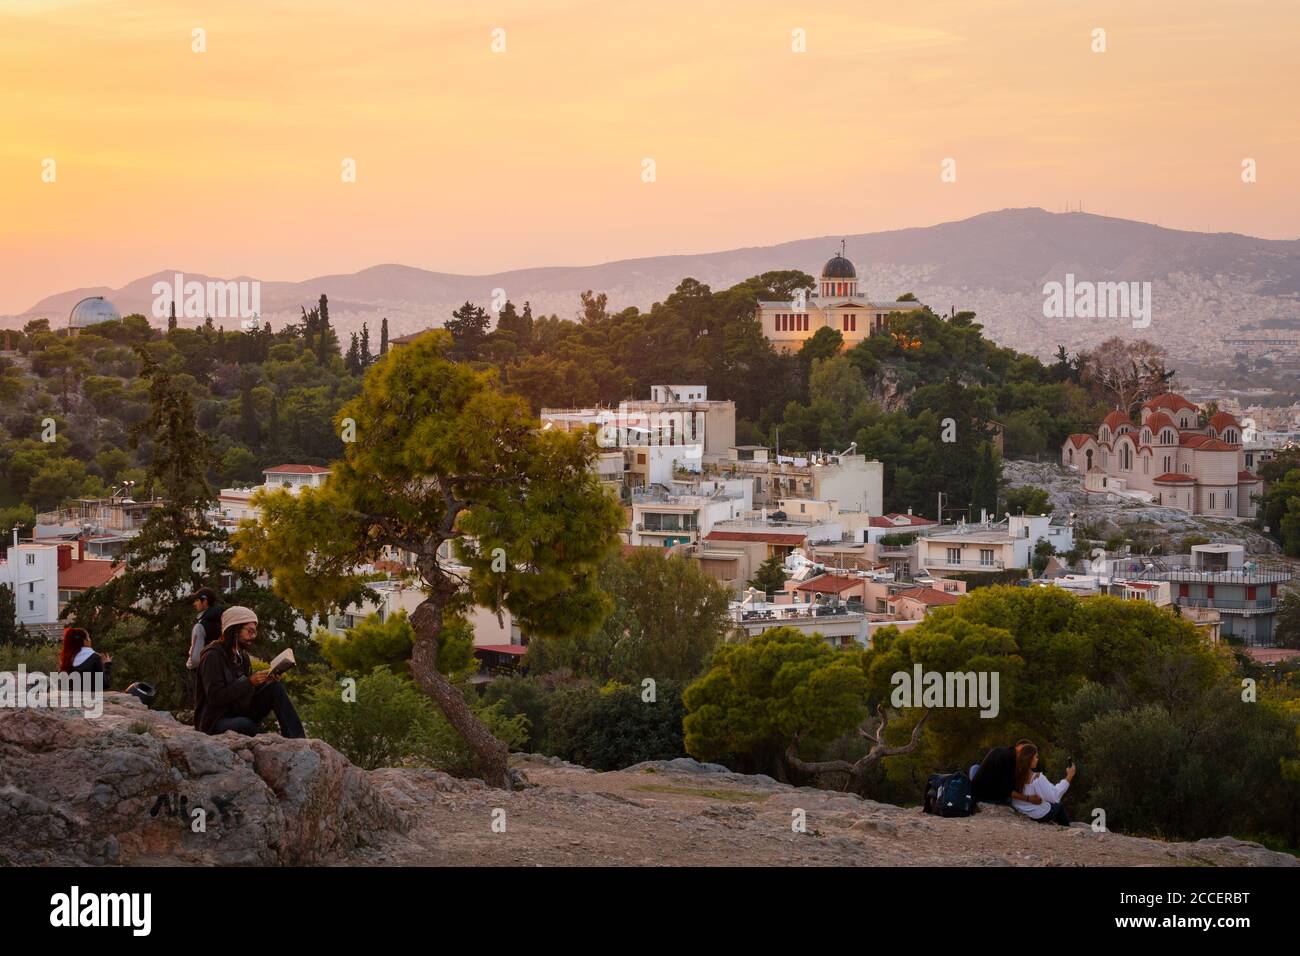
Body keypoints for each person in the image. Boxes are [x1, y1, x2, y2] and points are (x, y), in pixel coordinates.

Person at [194, 606, 305, 739]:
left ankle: (297, 739)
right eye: (250, 631)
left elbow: (244, 693)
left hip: (238, 711)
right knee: (245, 725)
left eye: (254, 632)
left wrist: (263, 682)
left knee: (274, 687)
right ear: (234, 630)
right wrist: (249, 682)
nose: (253, 636)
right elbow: (215, 697)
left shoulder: (243, 657)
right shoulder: (212, 656)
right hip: (214, 721)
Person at [1010, 743, 1075, 826]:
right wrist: (1069, 776)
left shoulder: (1012, 773)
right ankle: (1066, 828)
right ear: (1030, 759)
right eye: (1036, 757)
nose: (1037, 759)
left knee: (1048, 801)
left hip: (1020, 809)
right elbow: (1055, 796)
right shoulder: (1037, 778)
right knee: (1058, 806)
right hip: (1037, 815)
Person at [969, 740, 1043, 807]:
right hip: (986, 797)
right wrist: (1028, 798)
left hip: (977, 789)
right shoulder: (1009, 759)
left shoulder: (1003, 751)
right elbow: (1006, 790)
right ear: (1019, 747)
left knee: (976, 767)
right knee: (1020, 803)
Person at [184, 587, 225, 672]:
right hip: (225, 672)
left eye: (197, 600)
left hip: (208, 674)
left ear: (205, 601)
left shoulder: (200, 626)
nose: (194, 604)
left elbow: (195, 660)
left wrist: (188, 664)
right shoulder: (225, 621)